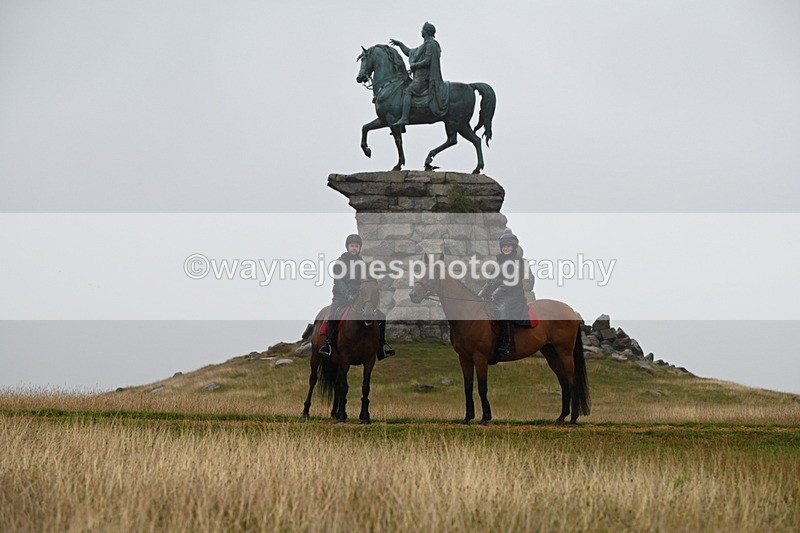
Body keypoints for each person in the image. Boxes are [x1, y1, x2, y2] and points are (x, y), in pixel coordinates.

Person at [320, 234, 395, 360]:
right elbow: (339, 281)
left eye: (356, 246)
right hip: (341, 298)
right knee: (332, 317)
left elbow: (366, 280)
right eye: (352, 246)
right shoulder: (340, 262)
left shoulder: (362, 263)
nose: (354, 248)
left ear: (359, 248)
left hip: (358, 297)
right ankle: (329, 345)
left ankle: (380, 347)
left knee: (381, 316)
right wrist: (347, 295)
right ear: (347, 247)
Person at [478, 230, 529, 364]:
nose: (506, 248)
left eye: (509, 246)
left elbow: (513, 281)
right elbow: (490, 281)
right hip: (499, 294)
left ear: (513, 247)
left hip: (514, 294)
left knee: (503, 310)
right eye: (504, 246)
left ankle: (509, 344)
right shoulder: (498, 263)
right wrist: (482, 292)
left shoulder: (519, 262)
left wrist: (497, 292)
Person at [389, 21, 449, 127]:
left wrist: (414, 65)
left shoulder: (431, 44)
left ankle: (404, 118)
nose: (421, 30)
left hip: (424, 78)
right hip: (419, 77)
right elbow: (410, 52)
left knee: (408, 91)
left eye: (422, 29)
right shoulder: (424, 45)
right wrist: (400, 44)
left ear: (426, 31)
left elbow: (427, 61)